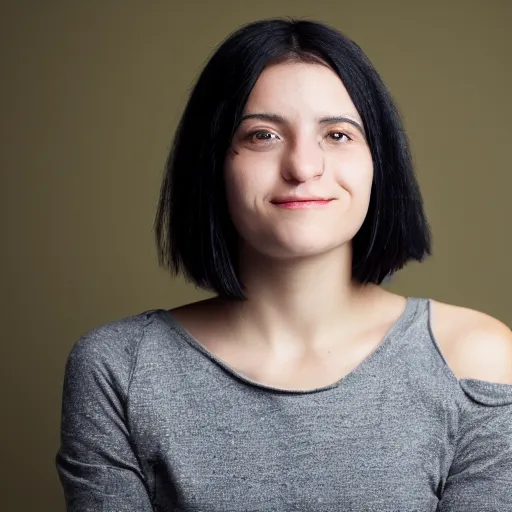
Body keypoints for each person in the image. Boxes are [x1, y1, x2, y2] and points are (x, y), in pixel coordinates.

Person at [55, 18, 512, 511]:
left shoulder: (475, 360)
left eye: (338, 135)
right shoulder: (119, 369)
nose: (303, 167)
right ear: (212, 163)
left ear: (379, 162)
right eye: (263, 135)